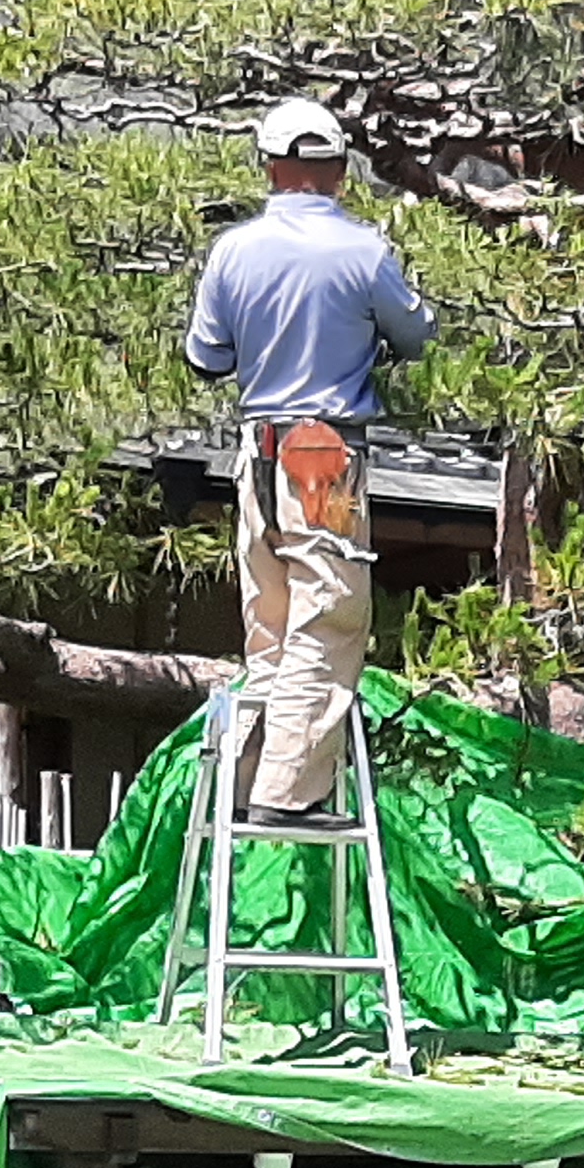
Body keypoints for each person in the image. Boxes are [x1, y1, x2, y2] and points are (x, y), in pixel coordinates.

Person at [183, 97, 437, 814]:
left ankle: (244, 775)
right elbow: (417, 337)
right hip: (323, 451)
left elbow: (206, 357)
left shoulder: (233, 249)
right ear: (342, 172)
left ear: (269, 166)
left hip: (257, 452)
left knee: (269, 618)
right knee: (329, 614)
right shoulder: (363, 249)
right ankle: (287, 794)